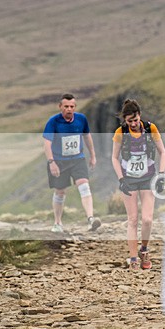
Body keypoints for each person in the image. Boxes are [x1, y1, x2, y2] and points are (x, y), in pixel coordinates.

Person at [111, 99, 165, 270]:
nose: (133, 124)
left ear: (139, 116)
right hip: (128, 179)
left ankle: (144, 249)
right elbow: (114, 158)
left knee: (147, 219)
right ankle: (134, 257)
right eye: (130, 121)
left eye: (135, 120)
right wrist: (121, 179)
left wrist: (161, 175)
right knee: (133, 219)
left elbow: (163, 152)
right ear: (125, 120)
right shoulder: (120, 133)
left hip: (148, 177)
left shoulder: (151, 129)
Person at [42, 93, 101, 233]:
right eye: (66, 106)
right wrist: (52, 162)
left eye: (72, 106)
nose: (69, 109)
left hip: (77, 159)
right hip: (59, 161)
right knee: (60, 191)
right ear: (60, 106)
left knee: (84, 185)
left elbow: (87, 136)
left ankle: (90, 219)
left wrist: (92, 155)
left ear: (75, 107)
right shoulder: (53, 122)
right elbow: (47, 144)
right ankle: (57, 223)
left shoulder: (81, 119)